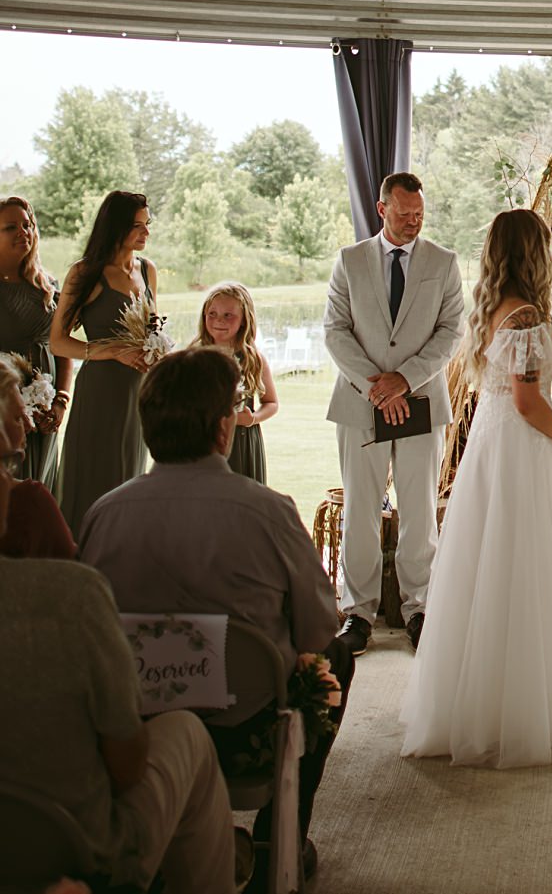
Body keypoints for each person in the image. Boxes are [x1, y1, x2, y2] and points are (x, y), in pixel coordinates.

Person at [81, 346, 347, 887]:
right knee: (337, 656)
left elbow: (90, 632)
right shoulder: (268, 510)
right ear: (224, 429)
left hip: (134, 723)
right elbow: (320, 628)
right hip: (244, 727)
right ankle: (282, 836)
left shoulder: (103, 514)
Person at [0, 369, 235, 892]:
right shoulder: (72, 594)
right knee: (187, 735)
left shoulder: (103, 515)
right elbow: (126, 764)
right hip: (73, 847)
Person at [400, 207, 552, 768]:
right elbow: (528, 401)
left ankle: (476, 706)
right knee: (521, 568)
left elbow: (513, 391)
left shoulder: (492, 310)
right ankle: (516, 714)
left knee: (484, 567)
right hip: (522, 451)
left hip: (493, 447)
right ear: (536, 254)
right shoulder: (527, 316)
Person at [324, 171, 464, 654]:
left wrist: (404, 380)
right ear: (382, 209)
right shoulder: (350, 260)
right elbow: (336, 331)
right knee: (360, 510)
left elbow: (451, 332)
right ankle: (357, 613)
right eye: (403, 214)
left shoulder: (443, 262)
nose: (412, 222)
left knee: (420, 510)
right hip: (361, 404)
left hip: (422, 402)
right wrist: (377, 387)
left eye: (419, 214)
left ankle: (418, 608)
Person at [51, 189, 156, 538]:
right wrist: (109, 350)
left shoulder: (147, 270)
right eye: (137, 226)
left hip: (140, 393)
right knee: (95, 478)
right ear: (115, 227)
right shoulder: (85, 274)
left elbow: (152, 330)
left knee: (133, 476)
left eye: (147, 224)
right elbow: (58, 341)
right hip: (100, 394)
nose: (146, 233)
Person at [0, 194, 71, 485]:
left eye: (27, 225)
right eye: (10, 227)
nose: (23, 232)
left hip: (47, 407)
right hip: (6, 411)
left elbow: (62, 347)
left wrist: (60, 402)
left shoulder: (47, 284)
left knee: (42, 486)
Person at [192, 281, 278, 482]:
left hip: (241, 440)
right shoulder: (193, 357)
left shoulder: (254, 359)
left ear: (243, 320)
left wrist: (253, 419)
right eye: (212, 314)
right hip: (201, 440)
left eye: (228, 315)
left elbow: (271, 403)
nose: (218, 321)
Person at [0, 351, 76, 559]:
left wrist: (60, 399)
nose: (27, 425)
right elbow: (69, 565)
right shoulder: (29, 501)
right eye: (17, 417)